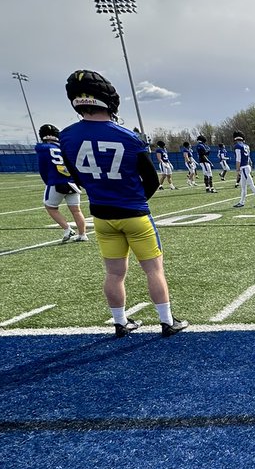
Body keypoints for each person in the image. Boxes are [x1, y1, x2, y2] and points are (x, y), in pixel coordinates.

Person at [58, 70, 186, 337]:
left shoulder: (67, 136)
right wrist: (134, 199)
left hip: (102, 216)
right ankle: (166, 321)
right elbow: (151, 180)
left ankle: (120, 322)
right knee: (154, 269)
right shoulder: (127, 136)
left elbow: (76, 176)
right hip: (134, 213)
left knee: (114, 273)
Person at [35, 124, 89, 243]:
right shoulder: (65, 148)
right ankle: (83, 234)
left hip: (56, 181)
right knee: (76, 210)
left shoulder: (42, 148)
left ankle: (67, 228)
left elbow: (42, 169)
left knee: (50, 207)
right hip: (72, 182)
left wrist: (48, 182)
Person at [234, 131, 255, 208]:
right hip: (247, 166)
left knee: (251, 185)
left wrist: (237, 169)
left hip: (244, 167)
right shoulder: (246, 146)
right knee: (243, 186)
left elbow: (238, 159)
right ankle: (241, 202)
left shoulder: (237, 146)